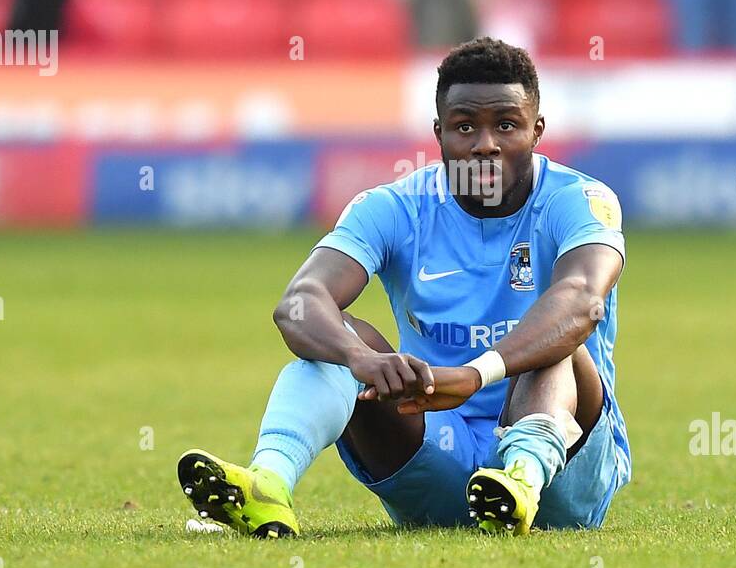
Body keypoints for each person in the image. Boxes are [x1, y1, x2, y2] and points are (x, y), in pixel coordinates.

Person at [177, 38, 629, 536]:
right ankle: (267, 485)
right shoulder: (394, 206)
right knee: (339, 337)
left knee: (556, 342)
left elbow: (582, 301)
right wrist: (359, 361)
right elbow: (299, 305)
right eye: (464, 127)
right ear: (438, 132)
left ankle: (519, 478)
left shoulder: (577, 199)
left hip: (561, 474)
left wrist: (476, 375)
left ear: (536, 130)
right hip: (436, 449)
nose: (484, 144)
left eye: (506, 124)